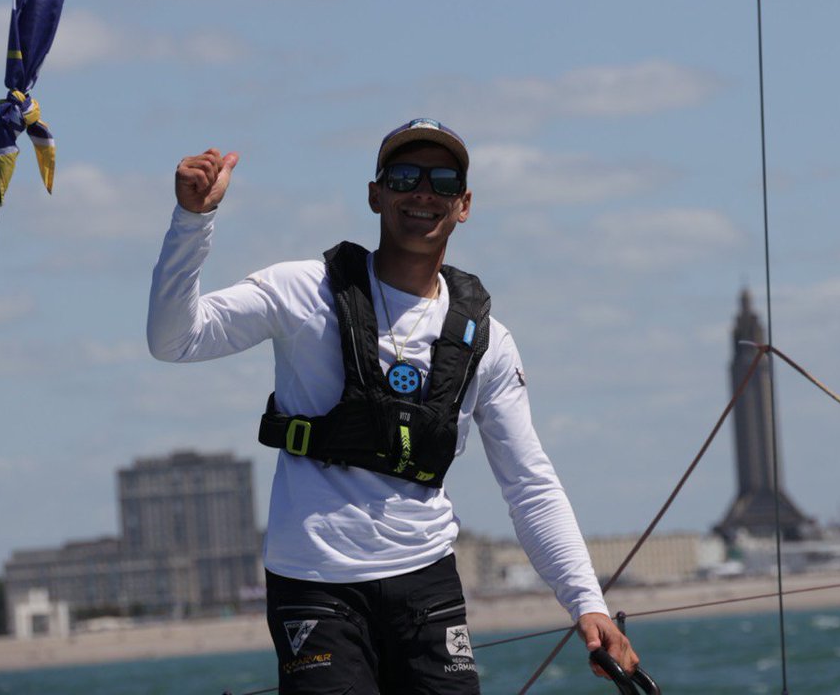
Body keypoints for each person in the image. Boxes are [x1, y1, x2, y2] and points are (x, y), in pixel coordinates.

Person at [148, 118, 638, 693]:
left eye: (442, 180)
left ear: (464, 204)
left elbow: (529, 484)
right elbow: (174, 340)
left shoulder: (489, 341)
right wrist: (193, 221)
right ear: (375, 194)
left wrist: (588, 603)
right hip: (315, 581)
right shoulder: (302, 292)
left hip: (426, 585)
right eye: (405, 177)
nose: (422, 193)